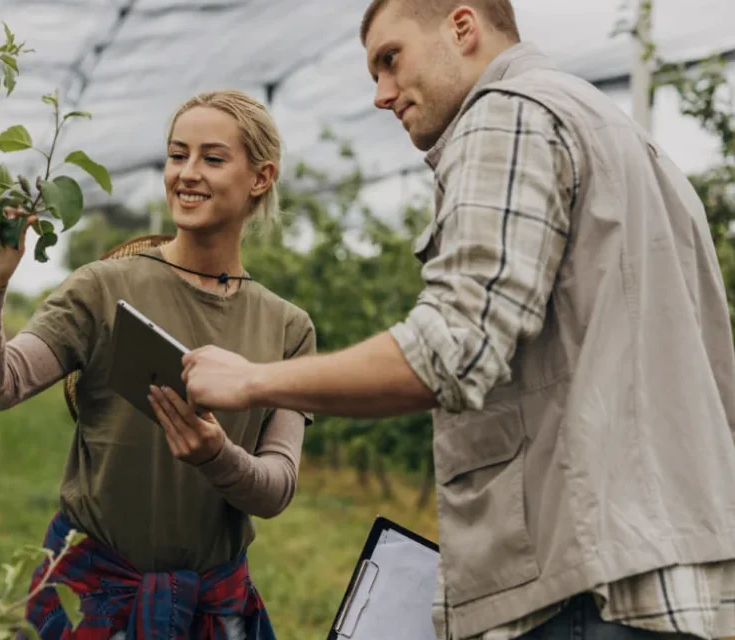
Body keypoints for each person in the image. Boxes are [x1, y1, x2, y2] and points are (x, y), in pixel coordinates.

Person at [180, 1, 735, 639]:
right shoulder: (634, 146)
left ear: (462, 27)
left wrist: (252, 381)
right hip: (665, 575)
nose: (382, 94)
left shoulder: (508, 117)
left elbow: (451, 350)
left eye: (391, 60)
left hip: (578, 585)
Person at [0, 89, 317, 639]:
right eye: (177, 155)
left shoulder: (287, 328)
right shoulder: (104, 288)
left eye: (213, 158)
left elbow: (276, 488)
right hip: (94, 598)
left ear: (261, 178)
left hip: (211, 610)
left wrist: (216, 455)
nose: (187, 173)